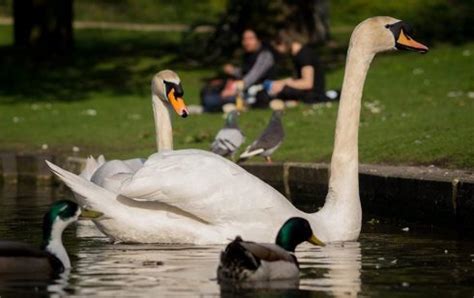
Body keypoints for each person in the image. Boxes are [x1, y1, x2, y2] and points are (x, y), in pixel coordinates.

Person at [200, 29, 275, 112]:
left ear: (258, 40)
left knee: (211, 101)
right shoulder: (248, 55)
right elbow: (244, 72)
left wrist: (234, 89)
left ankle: (224, 107)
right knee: (207, 90)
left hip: (255, 92)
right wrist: (233, 71)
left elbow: (252, 77)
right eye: (244, 39)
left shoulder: (265, 56)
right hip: (241, 89)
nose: (247, 42)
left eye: (250, 38)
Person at [267, 30, 338, 104]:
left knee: (281, 91)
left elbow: (307, 83)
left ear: (282, 43)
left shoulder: (304, 56)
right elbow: (298, 79)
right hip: (307, 92)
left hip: (313, 93)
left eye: (276, 47)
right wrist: (281, 82)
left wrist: (284, 84)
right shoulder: (297, 55)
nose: (277, 51)